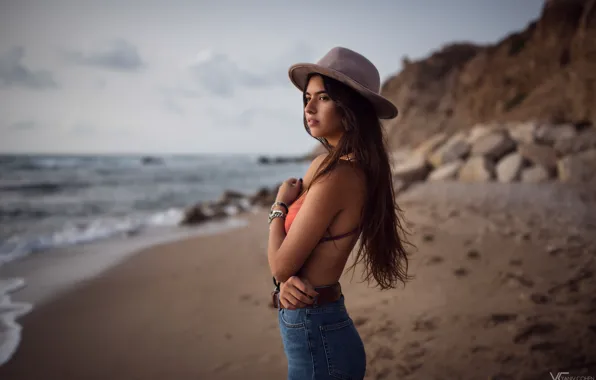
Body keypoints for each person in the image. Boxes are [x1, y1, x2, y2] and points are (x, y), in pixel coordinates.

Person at [267, 46, 413, 380]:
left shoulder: (339, 176)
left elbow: (281, 263)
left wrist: (278, 206)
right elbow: (290, 262)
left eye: (323, 97)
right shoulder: (325, 164)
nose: (309, 106)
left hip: (318, 336)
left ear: (350, 109)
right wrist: (283, 283)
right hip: (311, 328)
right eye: (307, 97)